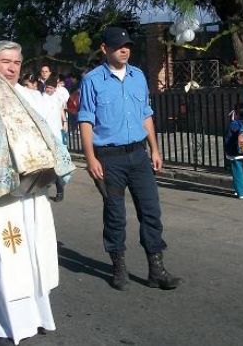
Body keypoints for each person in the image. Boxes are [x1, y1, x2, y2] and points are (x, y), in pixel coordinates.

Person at [0, 40, 74, 346]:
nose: (11, 67)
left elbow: (47, 132)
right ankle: (4, 326)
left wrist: (57, 164)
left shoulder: (27, 95)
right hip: (0, 195)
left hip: (33, 186)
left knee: (35, 253)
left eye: (17, 62)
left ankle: (37, 316)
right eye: (5, 61)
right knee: (5, 259)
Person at [78, 26, 181, 292]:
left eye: (127, 46)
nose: (124, 50)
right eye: (117, 46)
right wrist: (90, 158)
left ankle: (156, 268)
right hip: (109, 157)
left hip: (138, 154)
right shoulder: (92, 80)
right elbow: (86, 120)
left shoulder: (138, 77)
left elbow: (146, 114)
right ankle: (119, 265)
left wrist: (155, 149)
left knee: (151, 211)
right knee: (115, 214)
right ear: (104, 49)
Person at [40, 73, 68, 202]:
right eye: (47, 87)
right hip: (45, 136)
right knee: (46, 165)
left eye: (51, 88)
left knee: (58, 166)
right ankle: (42, 190)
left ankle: (60, 191)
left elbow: (61, 109)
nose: (49, 90)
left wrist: (65, 122)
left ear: (55, 88)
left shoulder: (57, 98)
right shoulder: (41, 98)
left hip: (57, 135)